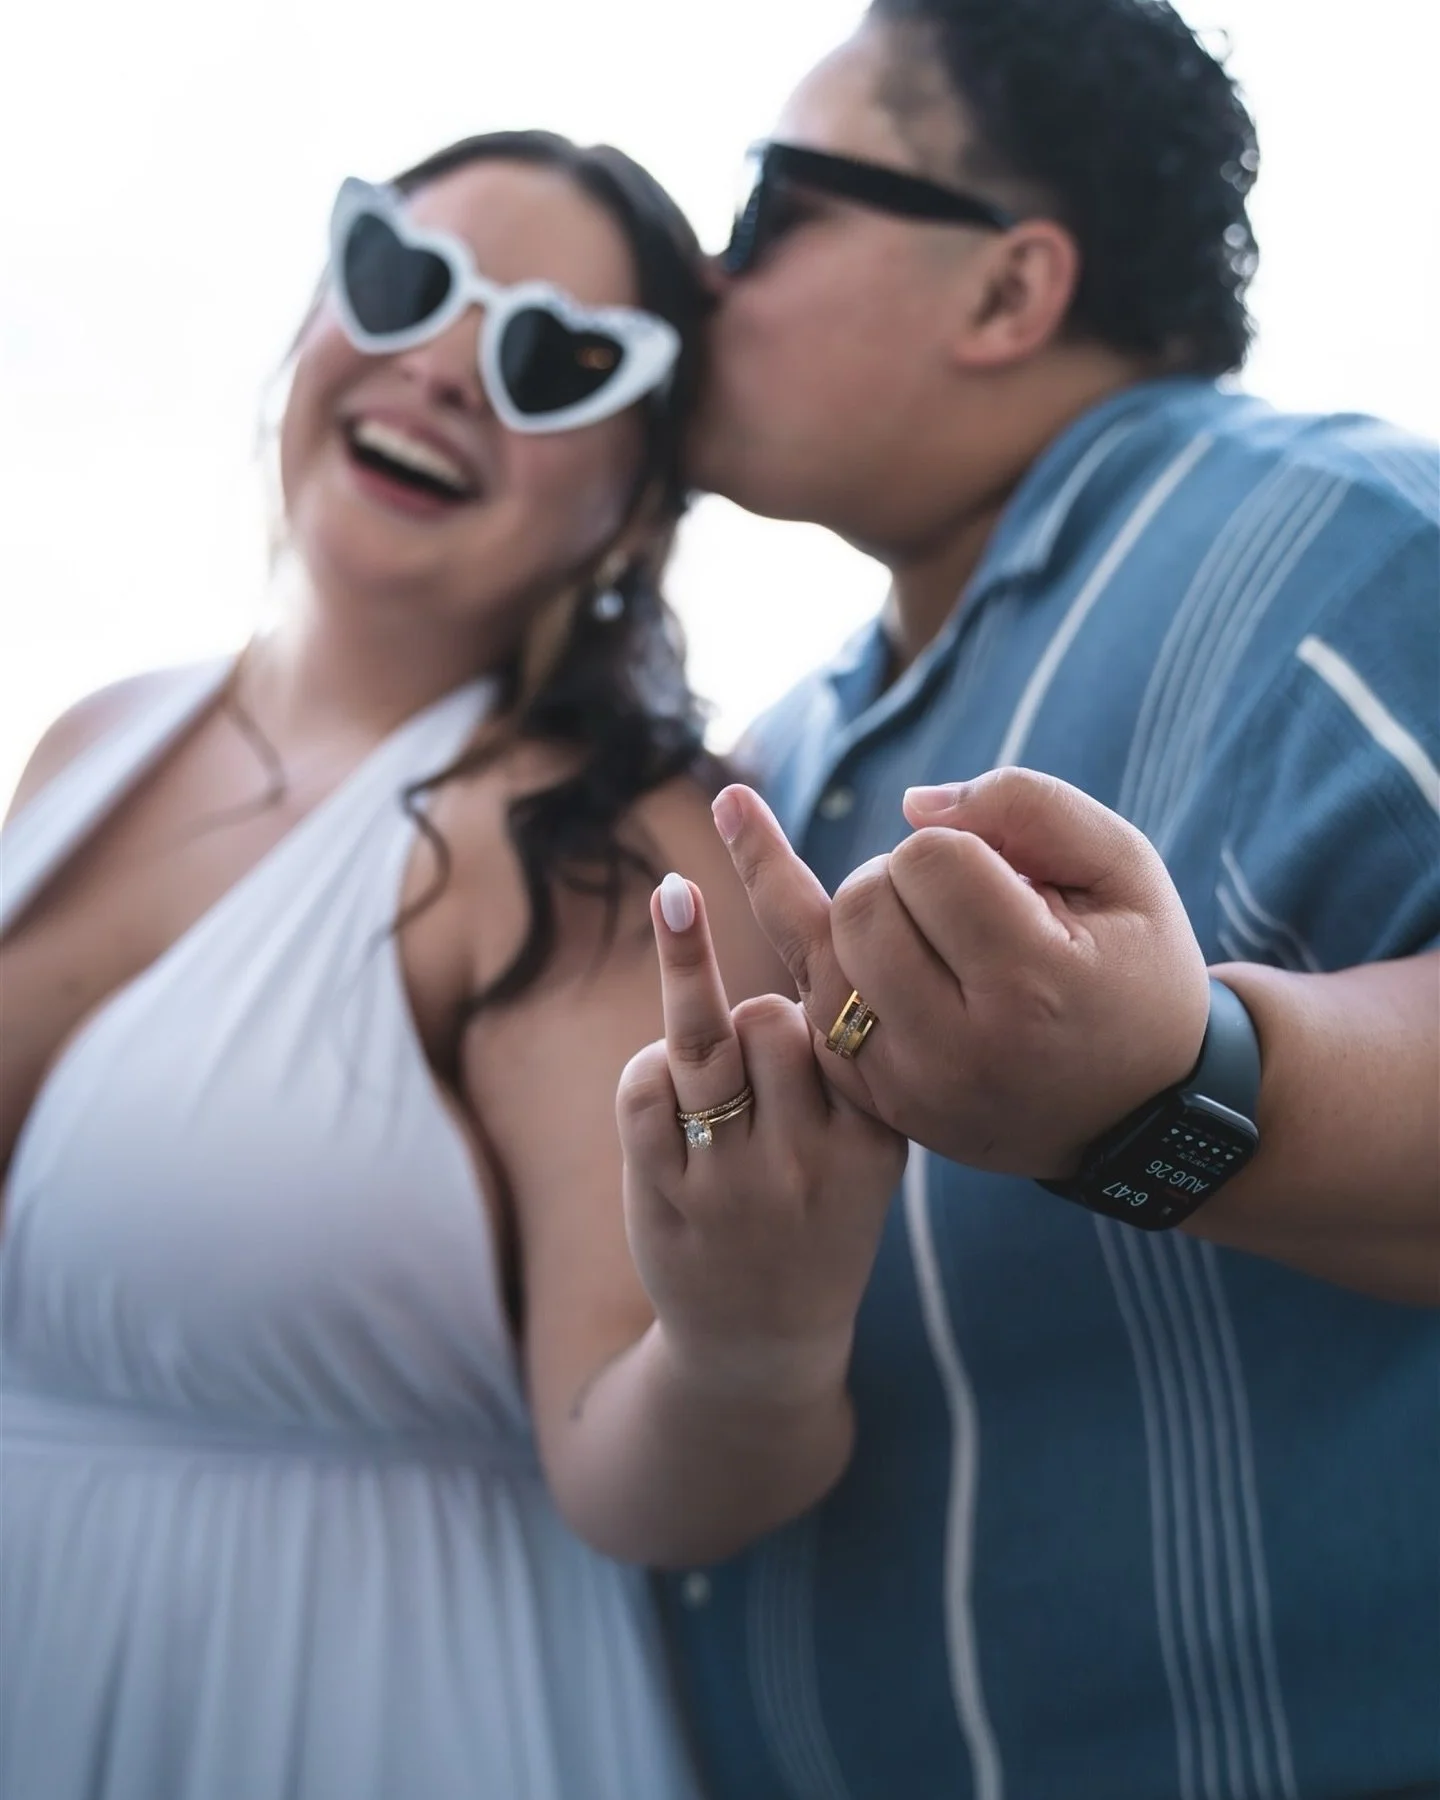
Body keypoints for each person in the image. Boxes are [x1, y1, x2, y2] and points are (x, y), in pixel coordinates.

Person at [0, 129, 905, 1800]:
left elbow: (639, 1470)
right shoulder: (89, 743)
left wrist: (754, 1349)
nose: (440, 368)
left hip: (367, 1714)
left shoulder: (594, 851)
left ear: (637, 498)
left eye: (551, 358)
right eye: (402, 278)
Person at [633, 4, 1440, 1797]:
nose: (700, 277)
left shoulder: (1357, 544)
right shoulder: (793, 736)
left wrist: (1174, 1086)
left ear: (1008, 290)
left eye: (770, 207)